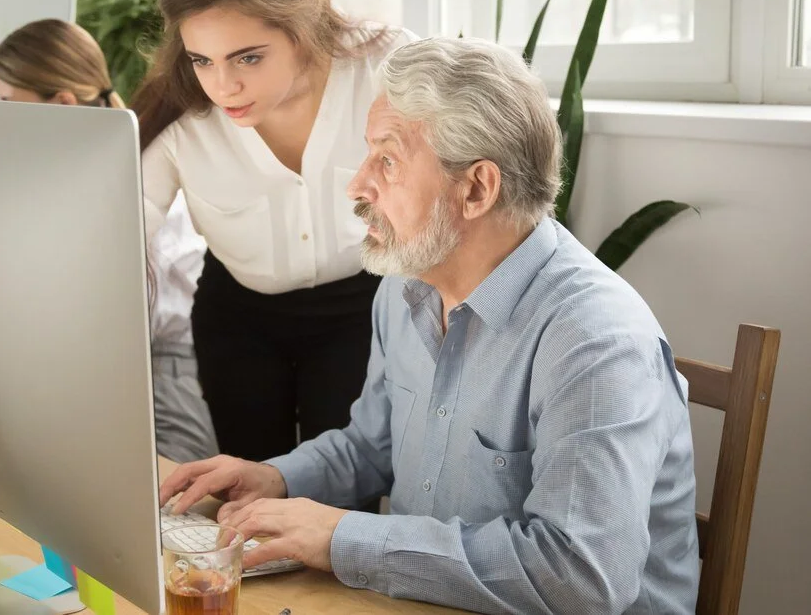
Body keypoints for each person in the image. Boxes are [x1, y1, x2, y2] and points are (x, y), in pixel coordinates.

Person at [159, 37, 700, 614]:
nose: (357, 184)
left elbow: (581, 578)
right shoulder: (405, 286)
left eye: (386, 160)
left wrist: (344, 537)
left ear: (475, 189)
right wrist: (275, 479)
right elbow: (373, 447)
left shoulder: (595, 342)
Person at [131, 0, 417, 462]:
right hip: (237, 321)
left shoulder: (388, 68)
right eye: (202, 60)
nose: (222, 87)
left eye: (247, 58)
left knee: (338, 497)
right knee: (249, 491)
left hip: (361, 309)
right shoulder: (181, 115)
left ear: (301, 29)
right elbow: (118, 240)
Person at [0, 18, 218, 464]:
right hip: (86, 366)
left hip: (160, 365)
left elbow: (127, 318)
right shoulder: (57, 175)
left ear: (61, 103)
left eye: (8, 103)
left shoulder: (141, 174)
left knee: (169, 492)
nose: (1, 119)